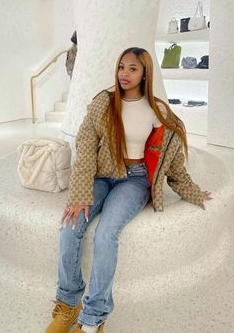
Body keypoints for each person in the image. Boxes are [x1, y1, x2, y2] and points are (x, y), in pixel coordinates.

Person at [45, 47, 212, 333]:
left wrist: (193, 191)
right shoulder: (104, 102)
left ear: (145, 73)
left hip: (135, 179)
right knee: (69, 225)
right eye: (122, 67)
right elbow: (85, 147)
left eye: (133, 68)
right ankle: (68, 301)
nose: (124, 73)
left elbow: (169, 161)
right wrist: (80, 195)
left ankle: (93, 318)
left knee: (106, 233)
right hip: (102, 175)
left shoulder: (157, 109)